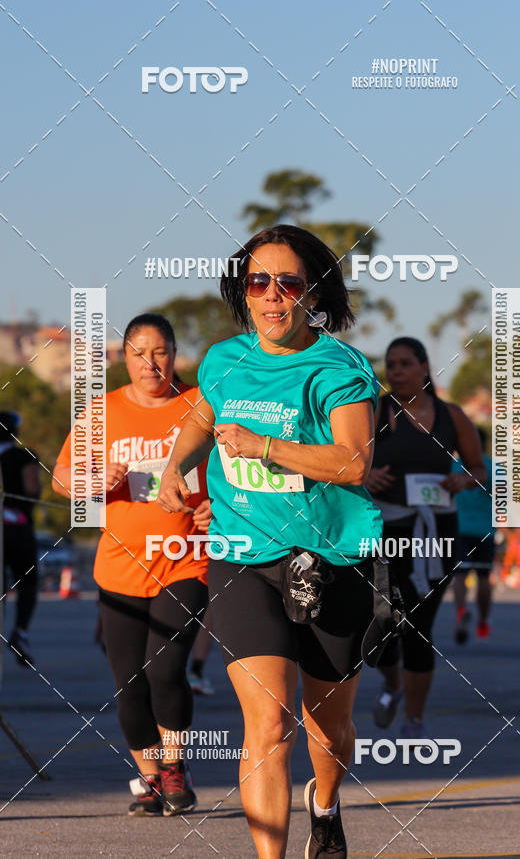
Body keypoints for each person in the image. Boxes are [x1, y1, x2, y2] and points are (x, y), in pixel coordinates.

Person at [157, 224, 382, 859]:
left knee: (328, 730)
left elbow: (355, 462)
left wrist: (266, 447)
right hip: (244, 556)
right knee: (268, 724)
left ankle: (325, 804)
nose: (273, 295)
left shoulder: (338, 368)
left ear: (314, 293)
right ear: (244, 291)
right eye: (259, 282)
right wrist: (176, 465)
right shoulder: (225, 360)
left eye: (288, 283)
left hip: (330, 557)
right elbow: (205, 413)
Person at [52, 313, 210, 815]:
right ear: (125, 358)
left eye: (160, 351)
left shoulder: (199, 405)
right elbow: (60, 477)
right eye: (140, 353)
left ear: (175, 354)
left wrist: (216, 507)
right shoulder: (103, 411)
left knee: (166, 670)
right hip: (119, 567)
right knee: (129, 685)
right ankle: (150, 778)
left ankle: (175, 767)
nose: (150, 363)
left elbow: (237, 471)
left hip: (185, 561)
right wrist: (94, 478)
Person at [367, 337, 487, 734]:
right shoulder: (375, 411)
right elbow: (346, 460)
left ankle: (414, 719)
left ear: (424, 367)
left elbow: (478, 469)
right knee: (382, 620)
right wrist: (365, 475)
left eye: (405, 363)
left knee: (419, 624)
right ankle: (392, 683)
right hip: (385, 531)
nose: (397, 371)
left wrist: (463, 480)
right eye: (391, 364)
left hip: (436, 532)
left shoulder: (451, 415)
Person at [0, 410, 41, 666]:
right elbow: (32, 489)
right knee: (28, 581)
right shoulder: (23, 456)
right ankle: (20, 631)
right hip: (17, 529)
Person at [452, 427, 495, 644]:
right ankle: (483, 619)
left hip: (459, 528)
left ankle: (461, 610)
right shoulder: (493, 467)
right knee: (484, 577)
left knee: (459, 575)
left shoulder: (453, 466)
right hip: (485, 530)